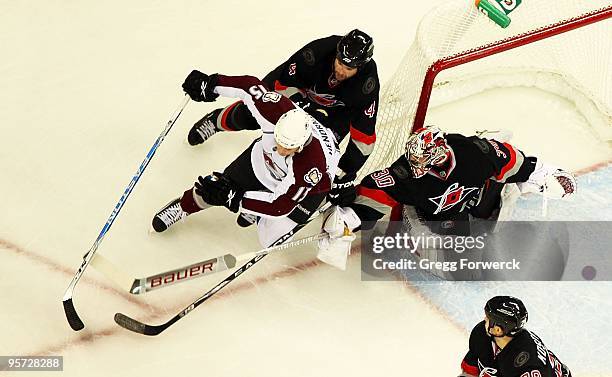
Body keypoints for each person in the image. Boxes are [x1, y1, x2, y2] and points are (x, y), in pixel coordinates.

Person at [316, 126, 577, 271]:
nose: (415, 166)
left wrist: (546, 174)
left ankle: (515, 184)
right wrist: (349, 218)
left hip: (476, 196)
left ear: (440, 154)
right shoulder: (406, 173)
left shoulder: (473, 153)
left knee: (503, 193)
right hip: (439, 216)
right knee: (463, 266)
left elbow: (515, 160)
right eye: (414, 160)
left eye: (422, 161)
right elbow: (376, 192)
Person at [186, 29, 380, 206]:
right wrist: (295, 106)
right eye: (340, 62)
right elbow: (282, 83)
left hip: (334, 116)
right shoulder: (319, 51)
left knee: (305, 154)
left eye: (349, 68)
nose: (341, 70)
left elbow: (363, 140)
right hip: (296, 90)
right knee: (251, 113)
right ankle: (216, 121)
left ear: (361, 67)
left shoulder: (367, 87)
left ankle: (266, 191)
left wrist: (343, 174)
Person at [152, 69, 340, 248]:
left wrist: (237, 199)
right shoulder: (274, 111)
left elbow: (279, 207)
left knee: (270, 240)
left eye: (288, 147)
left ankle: (255, 212)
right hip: (261, 161)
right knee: (216, 188)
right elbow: (248, 85)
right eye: (279, 141)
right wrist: (211, 84)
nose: (280, 150)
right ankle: (184, 206)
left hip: (300, 185)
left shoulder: (311, 167)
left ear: (301, 145)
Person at [459, 296, 572, 377]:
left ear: (498, 330)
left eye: (488, 318)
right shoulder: (482, 334)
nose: (484, 320)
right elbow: (470, 367)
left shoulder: (529, 364)